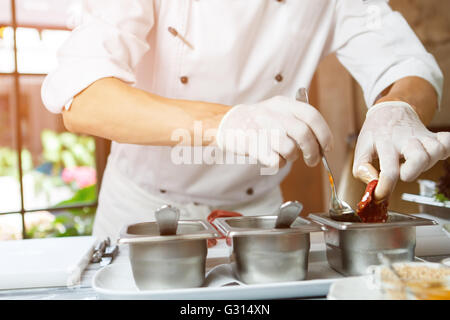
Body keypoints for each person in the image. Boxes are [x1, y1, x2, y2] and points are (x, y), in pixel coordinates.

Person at [41, 0, 449, 240]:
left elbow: (407, 64)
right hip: (141, 210)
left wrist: (396, 108)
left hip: (259, 215)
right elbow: (82, 97)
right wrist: (229, 122)